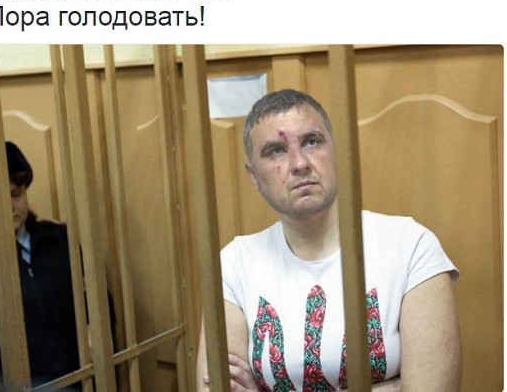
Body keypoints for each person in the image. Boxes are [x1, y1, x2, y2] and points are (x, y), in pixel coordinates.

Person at [197, 89, 461, 391]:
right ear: (253, 175)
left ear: (337, 152)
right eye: (275, 151)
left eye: (311, 141)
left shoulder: (411, 246)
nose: (299, 163)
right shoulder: (234, 264)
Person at [0, 142, 114, 391]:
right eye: (0, 197)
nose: (11, 205)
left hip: (81, 380)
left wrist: (96, 332)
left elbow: (100, 299)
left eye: (16, 194)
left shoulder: (59, 239)